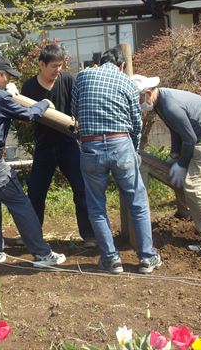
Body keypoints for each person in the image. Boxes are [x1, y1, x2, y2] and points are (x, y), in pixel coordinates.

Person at [0, 55, 67, 269]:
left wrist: (7, 94)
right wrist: (44, 103)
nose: (8, 81)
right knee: (20, 203)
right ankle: (42, 254)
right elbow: (27, 115)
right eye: (7, 77)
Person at [72, 46, 161, 274]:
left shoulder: (82, 77)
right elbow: (136, 122)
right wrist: (134, 149)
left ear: (100, 63)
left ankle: (111, 260)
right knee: (138, 202)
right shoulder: (128, 82)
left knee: (96, 206)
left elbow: (75, 111)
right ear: (122, 65)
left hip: (91, 145)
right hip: (121, 143)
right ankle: (147, 258)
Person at [132, 75, 201, 252]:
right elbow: (176, 130)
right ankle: (187, 212)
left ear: (147, 93)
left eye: (138, 99)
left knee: (194, 186)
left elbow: (189, 139)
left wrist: (182, 164)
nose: (139, 103)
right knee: (177, 175)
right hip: (198, 137)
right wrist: (175, 156)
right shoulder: (161, 102)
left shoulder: (169, 106)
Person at [21, 44, 95, 247]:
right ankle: (33, 235)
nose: (57, 70)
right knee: (36, 191)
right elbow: (24, 116)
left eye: (60, 66)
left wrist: (77, 118)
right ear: (41, 64)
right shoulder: (29, 87)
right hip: (44, 144)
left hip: (67, 142)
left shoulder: (68, 80)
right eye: (53, 66)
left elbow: (78, 105)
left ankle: (89, 234)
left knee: (81, 188)